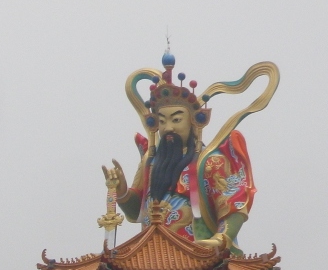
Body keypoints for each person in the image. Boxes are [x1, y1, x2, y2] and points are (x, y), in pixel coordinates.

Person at [105, 50, 274, 253]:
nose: (168, 128)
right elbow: (136, 213)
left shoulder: (210, 163)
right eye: (162, 121)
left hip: (195, 255)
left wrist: (222, 238)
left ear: (194, 121)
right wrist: (122, 191)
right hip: (151, 256)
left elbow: (233, 205)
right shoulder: (150, 162)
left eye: (176, 120)